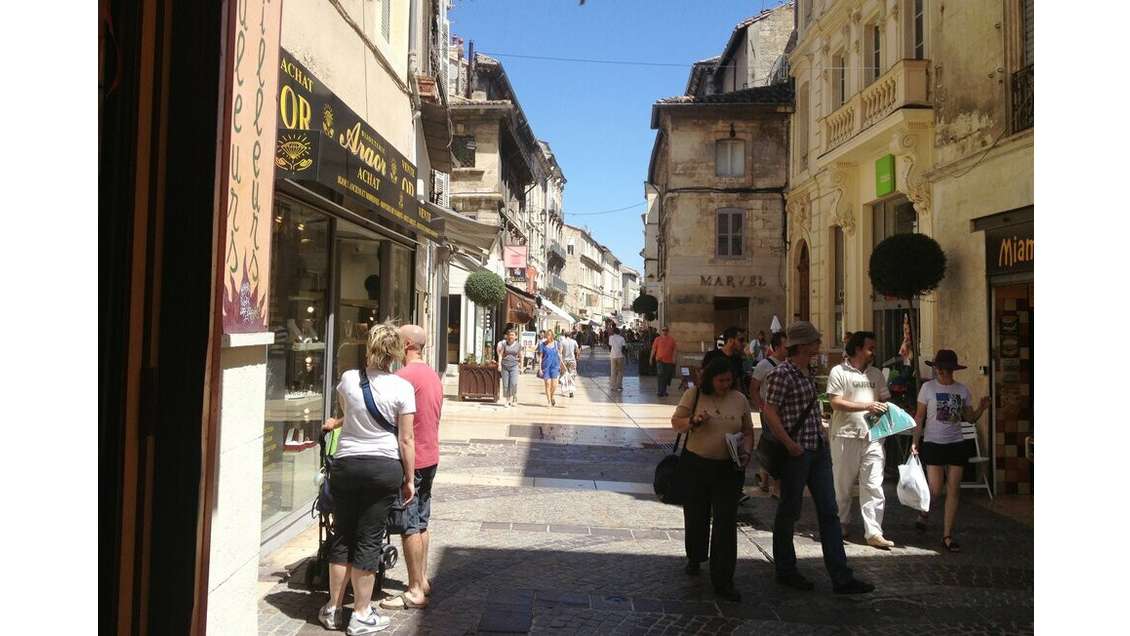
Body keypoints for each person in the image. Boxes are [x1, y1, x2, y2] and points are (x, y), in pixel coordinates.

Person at [762, 321, 874, 595]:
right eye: (814, 341)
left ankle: (841, 576)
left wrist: (822, 434)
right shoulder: (782, 374)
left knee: (829, 511)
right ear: (802, 345)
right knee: (789, 511)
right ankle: (786, 570)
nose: (818, 345)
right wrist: (789, 444)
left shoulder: (807, 371)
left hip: (817, 450)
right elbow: (770, 412)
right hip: (796, 453)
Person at [319, 322, 416, 633]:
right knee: (369, 539)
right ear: (397, 354)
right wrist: (410, 479)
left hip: (347, 465)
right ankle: (361, 614)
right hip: (382, 468)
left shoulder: (348, 380)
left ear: (369, 349)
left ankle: (333, 609)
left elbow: (352, 414)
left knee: (342, 536)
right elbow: (406, 439)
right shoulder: (402, 388)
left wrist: (336, 423)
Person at [670, 359, 753, 602]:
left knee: (726, 523)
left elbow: (747, 430)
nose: (725, 385)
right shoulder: (694, 394)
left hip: (728, 468)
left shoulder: (740, 399)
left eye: (729, 380)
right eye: (721, 380)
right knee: (697, 516)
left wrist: (747, 451)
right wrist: (693, 422)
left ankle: (723, 579)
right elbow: (676, 423)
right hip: (697, 465)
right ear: (710, 379)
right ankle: (695, 557)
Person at [377, 325, 442, 610]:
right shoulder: (431, 374)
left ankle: (415, 589)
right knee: (422, 521)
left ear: (405, 344)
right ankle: (423, 579)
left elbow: (380, 410)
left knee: (408, 525)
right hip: (431, 457)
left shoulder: (402, 377)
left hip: (412, 461)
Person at [911, 349, 991, 553]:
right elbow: (919, 417)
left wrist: (981, 408)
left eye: (944, 368)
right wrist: (915, 441)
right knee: (936, 489)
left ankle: (947, 535)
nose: (941, 371)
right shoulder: (927, 388)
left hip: (956, 443)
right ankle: (925, 512)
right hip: (933, 443)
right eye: (938, 368)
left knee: (954, 489)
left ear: (952, 370)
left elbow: (969, 418)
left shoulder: (962, 390)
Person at [827, 331, 895, 549]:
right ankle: (841, 523)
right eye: (870, 348)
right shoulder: (838, 372)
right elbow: (835, 402)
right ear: (857, 349)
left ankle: (874, 531)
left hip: (874, 437)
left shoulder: (876, 374)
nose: (873, 352)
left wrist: (890, 412)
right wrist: (866, 406)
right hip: (845, 436)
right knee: (842, 485)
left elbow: (885, 400)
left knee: (874, 484)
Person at [749, 331, 787, 497]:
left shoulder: (790, 364)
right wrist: (762, 407)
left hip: (786, 413)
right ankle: (775, 486)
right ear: (778, 346)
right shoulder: (764, 365)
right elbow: (753, 388)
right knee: (774, 446)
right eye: (787, 345)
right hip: (769, 413)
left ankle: (765, 478)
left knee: (774, 446)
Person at [702, 327, 748, 397]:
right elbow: (703, 376)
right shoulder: (711, 355)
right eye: (741, 340)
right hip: (712, 397)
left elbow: (738, 382)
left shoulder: (737, 359)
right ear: (730, 340)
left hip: (730, 399)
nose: (744, 343)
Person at [536, 330, 563, 407]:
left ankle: (552, 396)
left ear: (552, 336)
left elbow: (560, 355)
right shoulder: (542, 345)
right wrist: (540, 368)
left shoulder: (556, 344)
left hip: (555, 366)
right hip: (546, 367)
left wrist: (561, 366)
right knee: (547, 384)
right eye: (547, 335)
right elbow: (540, 357)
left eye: (549, 335)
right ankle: (548, 401)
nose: (548, 336)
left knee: (554, 385)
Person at [496, 330, 522, 407]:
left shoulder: (518, 345)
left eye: (513, 335)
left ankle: (514, 397)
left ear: (516, 336)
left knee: (513, 383)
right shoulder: (504, 344)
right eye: (510, 335)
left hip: (514, 365)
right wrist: (499, 365)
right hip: (505, 365)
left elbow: (521, 355)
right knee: (506, 384)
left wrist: (521, 366)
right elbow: (500, 354)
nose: (511, 336)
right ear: (507, 336)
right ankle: (507, 400)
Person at [651, 326, 678, 397]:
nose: (664, 331)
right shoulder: (657, 339)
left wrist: (674, 359)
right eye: (663, 330)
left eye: (666, 330)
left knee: (666, 377)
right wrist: (651, 358)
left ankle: (664, 390)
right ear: (661, 331)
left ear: (668, 331)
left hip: (669, 361)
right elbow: (653, 349)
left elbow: (675, 350)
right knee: (660, 375)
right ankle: (660, 391)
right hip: (659, 360)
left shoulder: (672, 340)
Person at [558, 330, 579, 398]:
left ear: (565, 336)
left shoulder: (562, 342)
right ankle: (571, 392)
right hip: (572, 361)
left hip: (564, 361)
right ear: (571, 336)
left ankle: (563, 389)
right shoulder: (574, 341)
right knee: (572, 376)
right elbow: (577, 350)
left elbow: (560, 352)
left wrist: (560, 361)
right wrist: (577, 357)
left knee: (564, 375)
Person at [607, 327, 627, 392]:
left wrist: (611, 352)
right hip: (620, 356)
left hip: (613, 356)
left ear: (614, 332)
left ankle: (613, 386)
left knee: (613, 371)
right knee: (620, 372)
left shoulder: (611, 337)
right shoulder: (622, 338)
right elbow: (624, 348)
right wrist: (624, 355)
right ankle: (619, 386)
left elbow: (610, 346)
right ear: (619, 332)